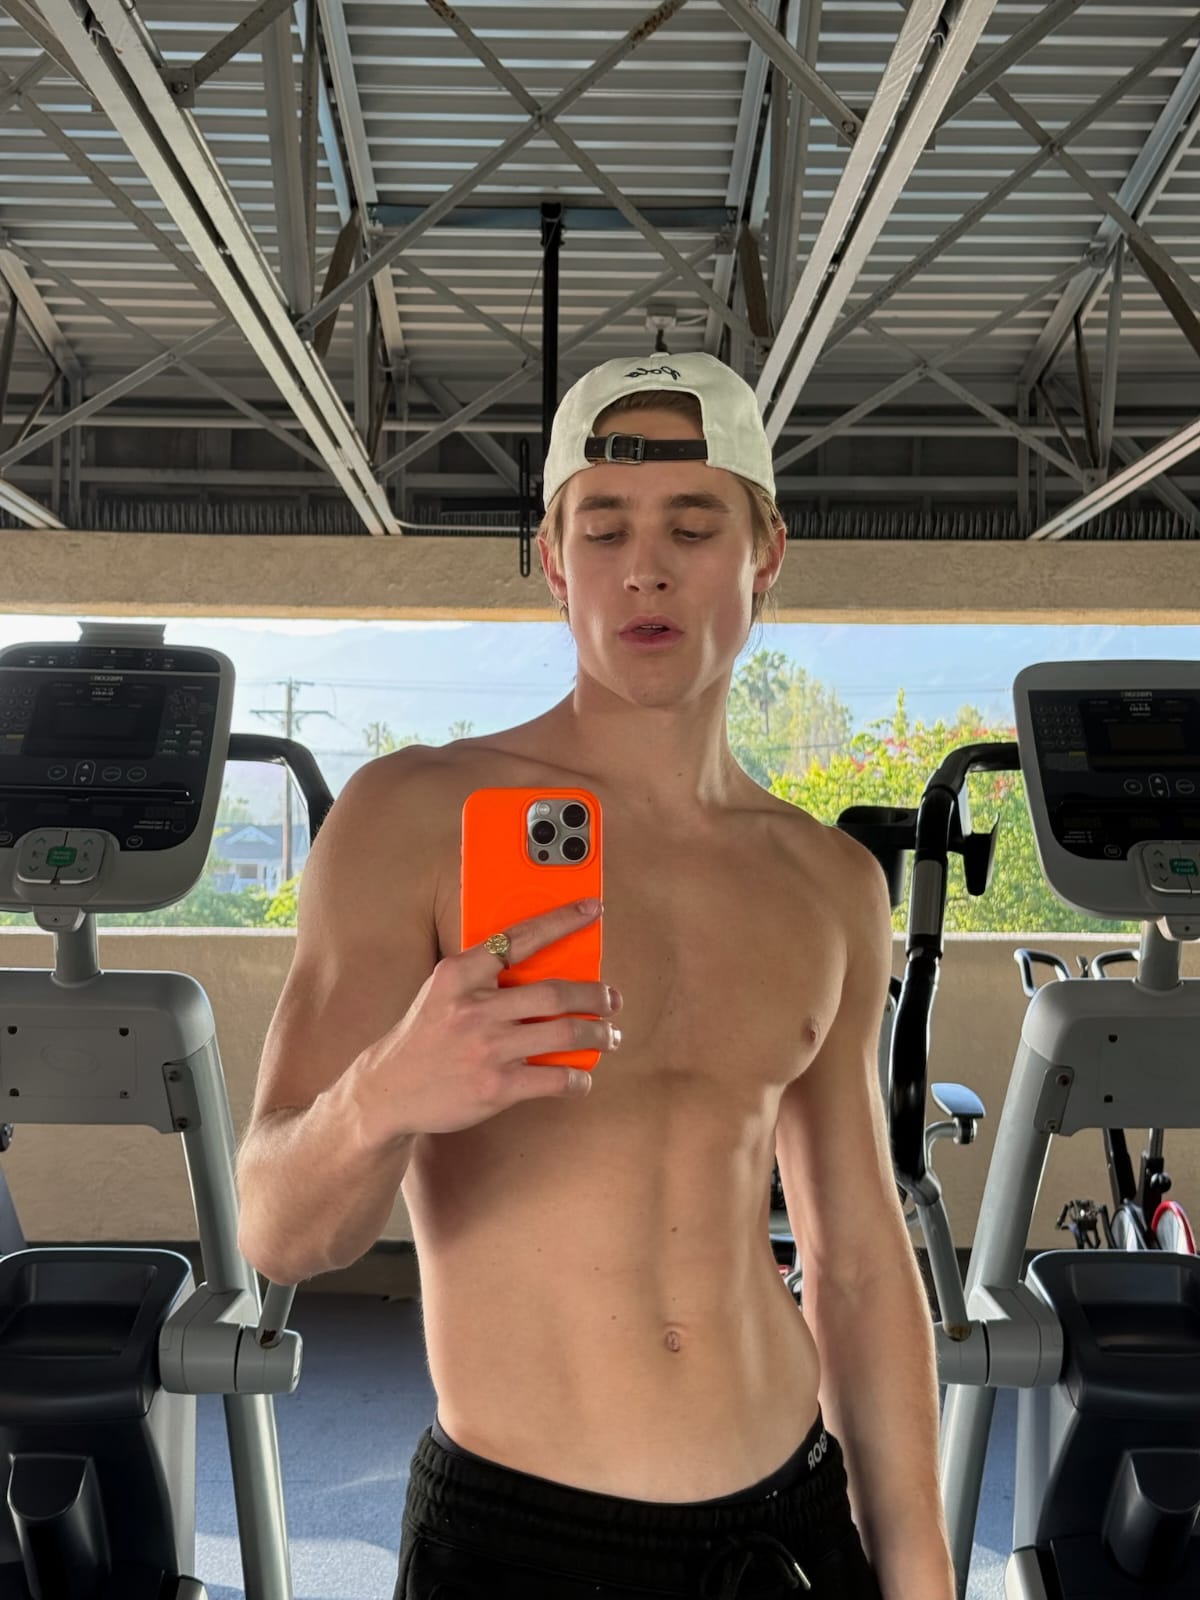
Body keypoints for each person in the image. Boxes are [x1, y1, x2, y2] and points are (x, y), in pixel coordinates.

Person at [235, 352, 955, 1599]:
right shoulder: (412, 815)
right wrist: (383, 1096)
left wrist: (922, 1569)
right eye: (605, 528)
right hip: (523, 1542)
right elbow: (280, 1232)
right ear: (555, 560)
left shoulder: (830, 881)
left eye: (694, 526)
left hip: (789, 1524)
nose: (646, 569)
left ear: (766, 552)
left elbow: (856, 1263)